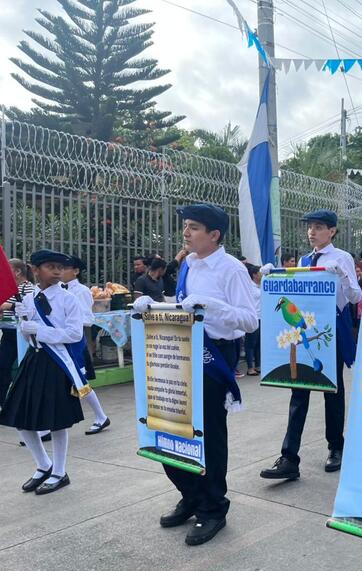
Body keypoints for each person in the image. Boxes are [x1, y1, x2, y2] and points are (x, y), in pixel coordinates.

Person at [132, 203, 258, 545]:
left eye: (193, 227)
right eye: (186, 226)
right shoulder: (188, 262)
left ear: (214, 235)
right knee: (171, 422)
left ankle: (213, 507)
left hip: (215, 352)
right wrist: (155, 305)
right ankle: (190, 494)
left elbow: (250, 319)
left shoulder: (231, 269)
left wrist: (211, 306)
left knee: (208, 431)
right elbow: (185, 304)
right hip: (182, 349)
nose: (185, 233)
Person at [260, 209, 362, 480]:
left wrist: (341, 275)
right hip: (309, 327)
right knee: (299, 392)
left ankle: (336, 447)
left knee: (333, 391)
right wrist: (273, 277)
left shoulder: (342, 258)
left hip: (331, 328)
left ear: (332, 231)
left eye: (318, 227)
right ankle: (289, 457)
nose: (312, 232)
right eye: (310, 227)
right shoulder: (305, 260)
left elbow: (355, 297)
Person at [0, 250, 89, 494]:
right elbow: (29, 337)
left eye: (60, 267)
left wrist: (38, 329)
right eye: (51, 266)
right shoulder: (29, 299)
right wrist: (25, 326)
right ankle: (43, 465)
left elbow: (74, 334)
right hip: (34, 361)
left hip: (56, 364)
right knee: (21, 417)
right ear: (35, 269)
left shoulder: (68, 299)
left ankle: (60, 471)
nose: (57, 271)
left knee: (58, 421)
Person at [60, 256, 112, 435]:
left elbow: (87, 319)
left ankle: (100, 416)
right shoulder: (57, 289)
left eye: (64, 268)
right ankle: (50, 424)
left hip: (73, 342)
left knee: (79, 381)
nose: (60, 271)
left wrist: (66, 323)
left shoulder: (81, 291)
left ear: (75, 271)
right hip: (60, 340)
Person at [0, 259, 36, 403]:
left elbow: (28, 309)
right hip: (8, 334)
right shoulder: (7, 289)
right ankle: (3, 402)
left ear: (17, 271)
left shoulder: (27, 288)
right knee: (2, 366)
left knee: (25, 367)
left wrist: (7, 306)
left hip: (23, 335)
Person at [244, 263, 262, 375]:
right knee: (250, 343)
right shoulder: (249, 286)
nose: (262, 274)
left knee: (259, 343)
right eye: (260, 272)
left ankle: (258, 365)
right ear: (255, 275)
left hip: (262, 317)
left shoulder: (262, 285)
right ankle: (250, 367)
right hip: (253, 317)